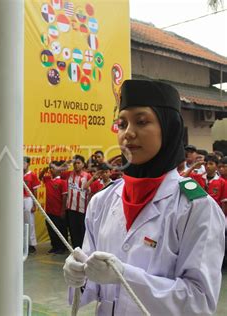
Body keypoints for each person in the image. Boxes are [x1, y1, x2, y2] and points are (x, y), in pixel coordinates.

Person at [63, 79, 225, 315]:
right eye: (122, 123)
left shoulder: (196, 208)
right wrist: (80, 275)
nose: (128, 133)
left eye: (141, 121)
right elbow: (95, 285)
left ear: (168, 128)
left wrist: (125, 276)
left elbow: (199, 302)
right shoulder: (102, 201)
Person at [61, 155, 92, 249]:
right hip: (71, 208)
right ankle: (75, 250)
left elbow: (93, 192)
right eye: (75, 163)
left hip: (83, 209)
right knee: (73, 232)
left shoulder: (88, 176)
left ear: (83, 164)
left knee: (83, 231)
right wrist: (68, 162)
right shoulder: (68, 174)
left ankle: (84, 251)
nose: (76, 165)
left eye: (78, 163)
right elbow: (59, 170)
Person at [38, 161, 68, 254]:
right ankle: (54, 246)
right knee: (51, 229)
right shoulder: (48, 179)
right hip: (49, 210)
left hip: (58, 211)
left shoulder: (62, 182)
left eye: (53, 168)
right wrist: (45, 169)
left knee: (60, 229)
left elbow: (64, 197)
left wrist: (63, 211)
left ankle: (62, 247)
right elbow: (40, 177)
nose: (51, 170)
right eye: (50, 168)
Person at [23, 156, 40, 254]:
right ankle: (22, 243)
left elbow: (35, 190)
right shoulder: (18, 175)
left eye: (24, 163)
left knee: (30, 222)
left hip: (28, 199)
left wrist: (34, 204)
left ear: (29, 164)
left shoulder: (32, 175)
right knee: (20, 222)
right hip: (19, 199)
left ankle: (31, 244)